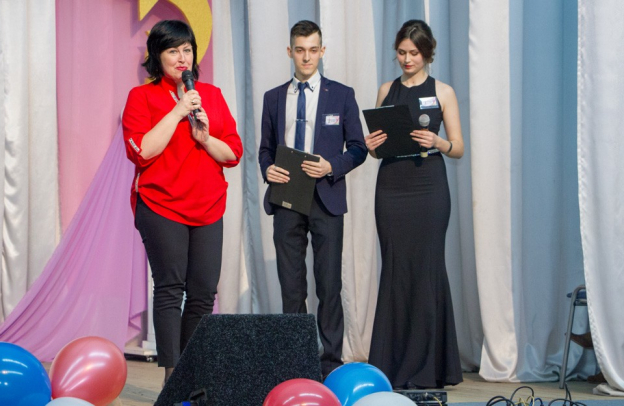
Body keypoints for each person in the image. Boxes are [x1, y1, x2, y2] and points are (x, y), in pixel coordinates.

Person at [122, 20, 243, 383]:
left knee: (204, 293)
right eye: (173, 50)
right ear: (157, 56)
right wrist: (177, 112)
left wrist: (205, 138)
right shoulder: (141, 97)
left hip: (208, 205)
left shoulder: (212, 95)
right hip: (161, 205)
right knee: (170, 289)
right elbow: (142, 151)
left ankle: (193, 375)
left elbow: (233, 153)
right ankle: (172, 379)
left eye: (187, 49)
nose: (182, 57)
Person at [258, 20, 367, 378]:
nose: (307, 57)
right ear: (290, 51)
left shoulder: (342, 95)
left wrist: (331, 166)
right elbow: (265, 150)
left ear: (322, 51)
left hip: (326, 198)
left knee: (329, 284)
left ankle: (330, 364)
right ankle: (295, 364)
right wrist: (268, 170)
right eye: (300, 50)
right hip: (287, 196)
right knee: (291, 286)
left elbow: (359, 148)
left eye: (313, 50)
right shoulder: (273, 97)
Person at [365, 19, 464, 389]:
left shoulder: (443, 91)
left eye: (415, 53)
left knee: (427, 270)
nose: (407, 59)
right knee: (395, 270)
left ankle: (429, 367)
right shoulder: (386, 89)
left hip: (428, 188)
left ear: (428, 53)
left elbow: (458, 148)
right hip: (391, 187)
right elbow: (377, 148)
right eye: (402, 52)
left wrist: (437, 142)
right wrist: (371, 146)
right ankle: (391, 365)